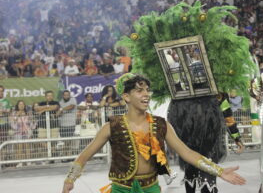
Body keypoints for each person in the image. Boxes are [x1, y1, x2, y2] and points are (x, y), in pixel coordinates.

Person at [62, 74, 246, 193]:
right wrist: (70, 179)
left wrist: (219, 171)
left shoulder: (161, 125)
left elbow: (187, 153)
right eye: (139, 90)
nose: (146, 94)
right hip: (121, 190)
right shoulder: (112, 126)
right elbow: (85, 155)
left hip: (151, 189)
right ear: (126, 97)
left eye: (147, 90)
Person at [9, 100, 36, 167]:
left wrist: (32, 121)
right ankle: (20, 162)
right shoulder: (14, 113)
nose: (21, 105)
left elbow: (33, 124)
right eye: (20, 104)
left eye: (23, 104)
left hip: (27, 132)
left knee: (27, 146)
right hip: (18, 133)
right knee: (19, 147)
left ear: (24, 105)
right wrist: (17, 116)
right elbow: (12, 124)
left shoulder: (28, 113)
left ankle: (28, 162)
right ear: (17, 106)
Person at [57, 90, 77, 156]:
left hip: (71, 124)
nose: (66, 96)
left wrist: (62, 109)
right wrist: (60, 111)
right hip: (62, 124)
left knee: (69, 140)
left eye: (67, 95)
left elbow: (72, 106)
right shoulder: (60, 102)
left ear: (69, 95)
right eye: (65, 95)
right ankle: (67, 154)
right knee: (65, 141)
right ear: (63, 95)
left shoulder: (73, 99)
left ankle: (64, 154)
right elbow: (58, 113)